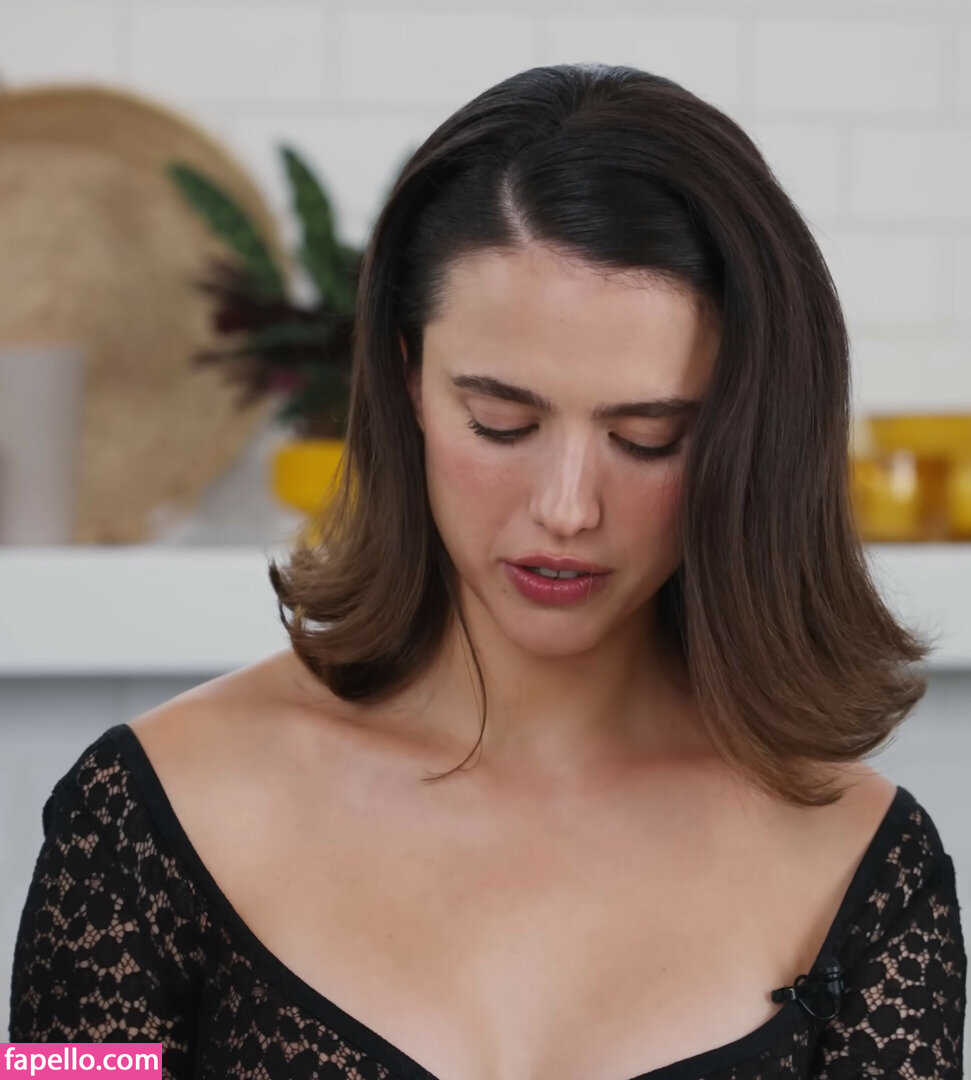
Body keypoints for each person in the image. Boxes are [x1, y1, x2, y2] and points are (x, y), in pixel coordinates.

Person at [9, 62, 966, 1079]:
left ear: (747, 439)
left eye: (645, 437)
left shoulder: (865, 871)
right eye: (501, 422)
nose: (565, 506)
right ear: (407, 384)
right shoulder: (143, 817)